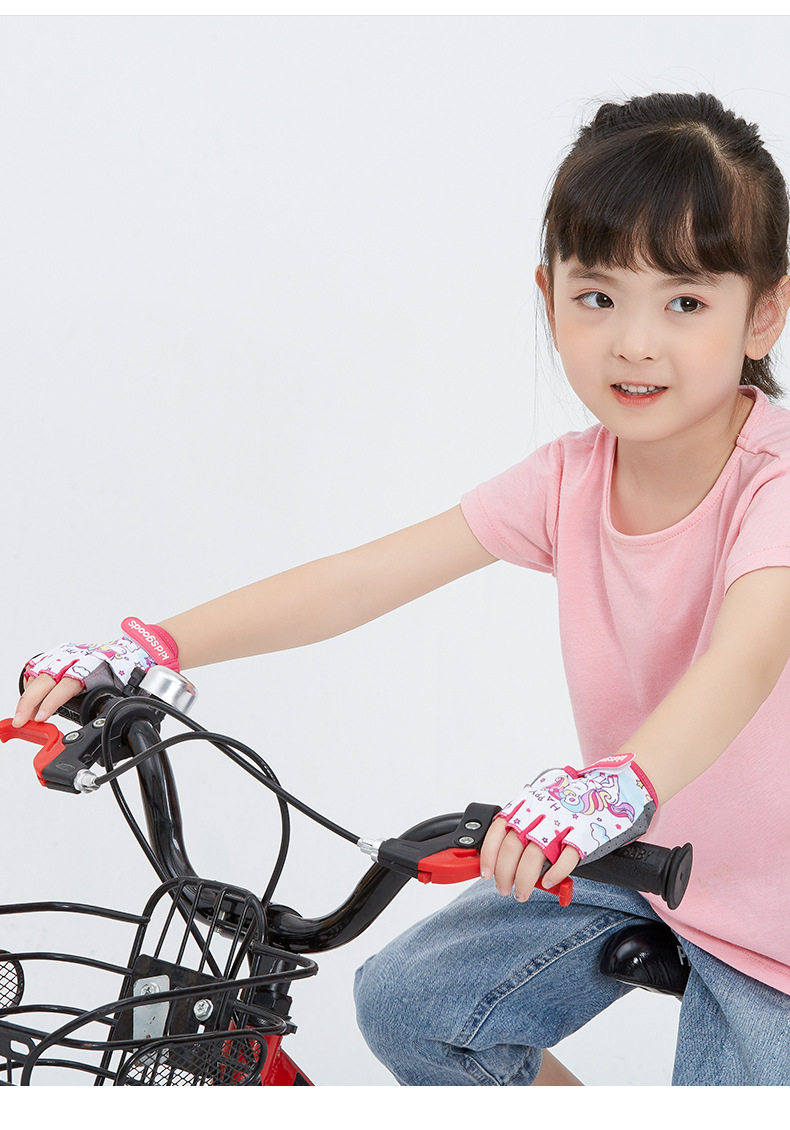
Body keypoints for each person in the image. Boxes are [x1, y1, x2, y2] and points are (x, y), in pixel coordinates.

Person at [13, 92, 790, 1086]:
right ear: (548, 295)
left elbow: (743, 657)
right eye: (598, 296)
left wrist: (619, 782)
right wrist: (151, 646)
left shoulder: (772, 485)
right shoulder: (569, 479)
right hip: (634, 862)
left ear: (762, 312)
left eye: (684, 303)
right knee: (411, 1002)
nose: (635, 342)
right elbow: (358, 579)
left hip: (769, 915)